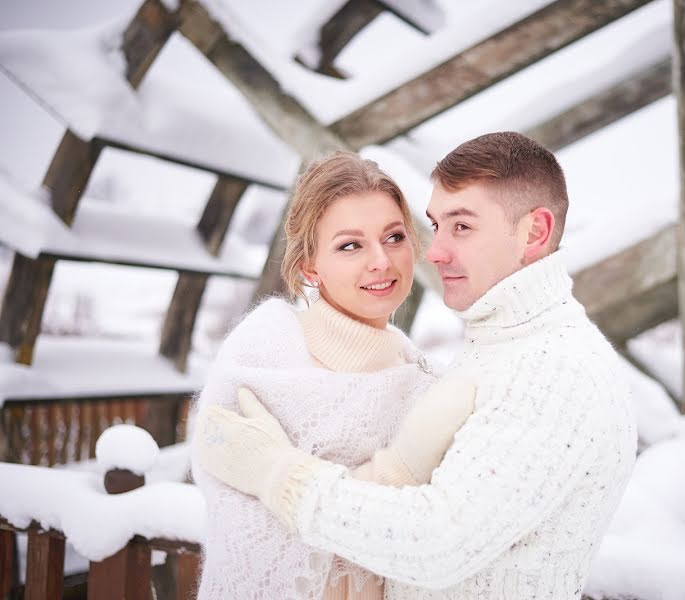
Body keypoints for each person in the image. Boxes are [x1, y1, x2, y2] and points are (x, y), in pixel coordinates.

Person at [197, 132, 637, 599]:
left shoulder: (553, 371)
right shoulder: (493, 348)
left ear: (535, 231)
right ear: (309, 266)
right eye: (435, 226)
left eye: (461, 227)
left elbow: (437, 540)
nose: (435, 251)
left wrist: (277, 473)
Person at [191, 152, 476, 600]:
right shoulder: (262, 357)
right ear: (309, 266)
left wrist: (283, 474)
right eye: (350, 245)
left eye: (394, 237)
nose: (381, 261)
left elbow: (438, 528)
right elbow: (226, 479)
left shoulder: (426, 388)